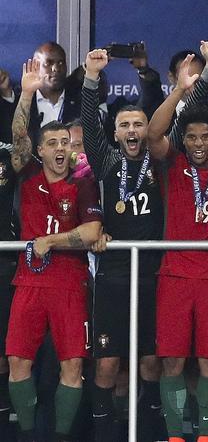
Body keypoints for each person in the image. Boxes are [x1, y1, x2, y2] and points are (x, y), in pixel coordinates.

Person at [147, 39, 208, 442]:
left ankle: (205, 437)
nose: (200, 143)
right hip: (174, 277)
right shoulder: (173, 167)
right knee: (171, 362)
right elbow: (153, 133)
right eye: (193, 138)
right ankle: (174, 436)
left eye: (207, 137)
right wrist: (181, 91)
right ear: (184, 140)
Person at [80, 47, 173, 441]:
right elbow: (88, 123)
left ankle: (150, 433)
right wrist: (90, 78)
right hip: (114, 275)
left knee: (151, 362)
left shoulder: (158, 159)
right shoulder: (105, 162)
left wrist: (148, 77)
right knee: (106, 365)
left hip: (153, 273)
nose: (133, 131)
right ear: (115, 133)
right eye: (125, 126)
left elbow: (161, 117)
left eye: (138, 124)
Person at [8, 62, 104, 442]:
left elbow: (93, 230)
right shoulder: (29, 174)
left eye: (66, 142)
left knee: (72, 364)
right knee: (17, 361)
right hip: (29, 282)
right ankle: (29, 435)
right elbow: (18, 142)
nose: (61, 149)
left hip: (69, 284)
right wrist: (28, 93)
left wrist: (51, 241)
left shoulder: (84, 185)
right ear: (42, 151)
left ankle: (62, 437)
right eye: (53, 144)